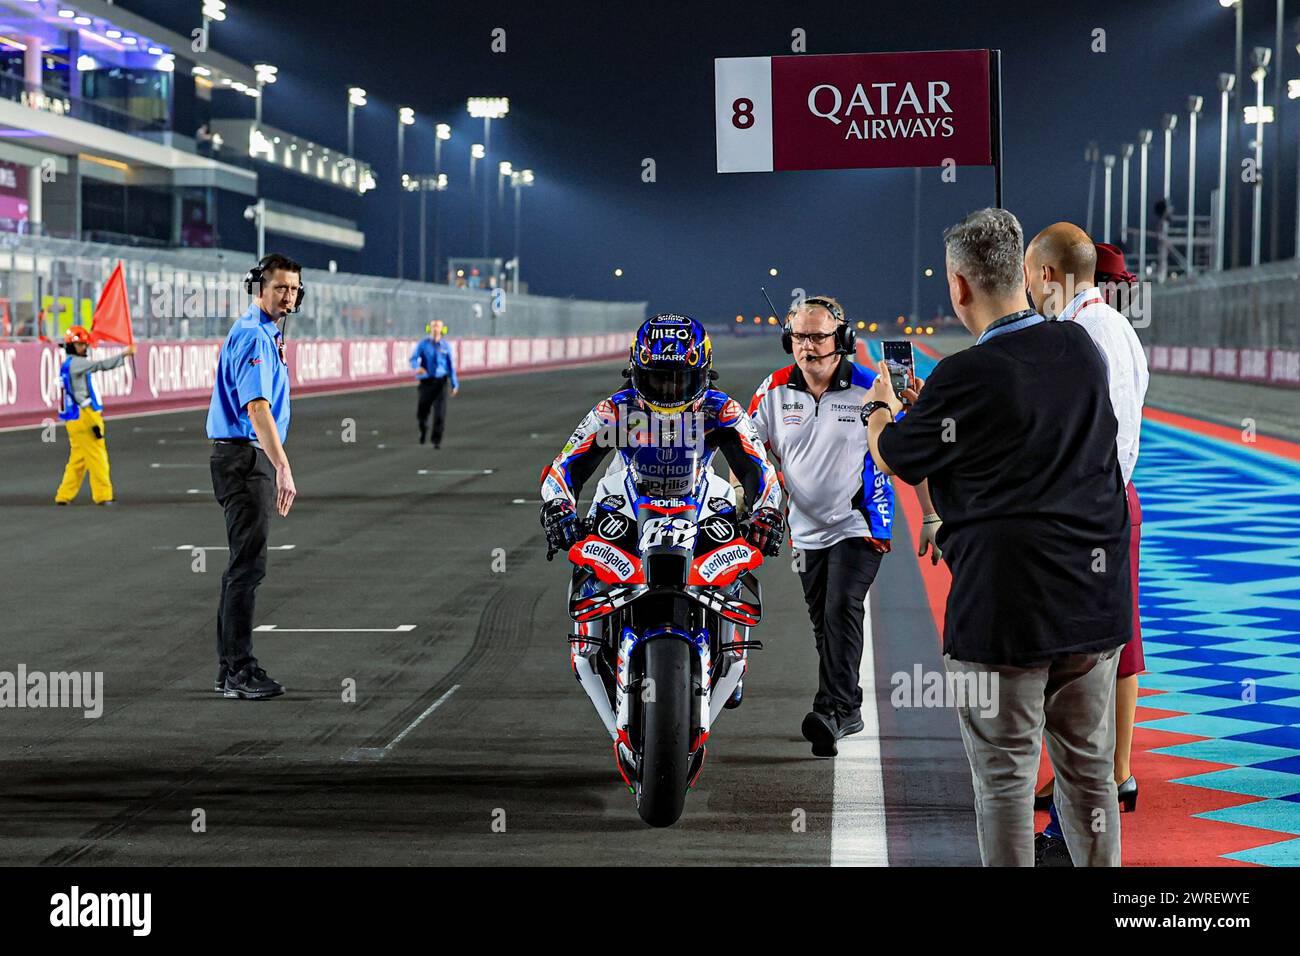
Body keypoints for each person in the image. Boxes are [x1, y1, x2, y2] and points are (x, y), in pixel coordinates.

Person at [864, 208, 1132, 866]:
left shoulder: (964, 376)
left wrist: (881, 407)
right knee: (1091, 777)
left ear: (959, 287)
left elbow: (899, 455)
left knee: (1006, 781)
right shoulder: (1080, 348)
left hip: (1005, 613)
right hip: (1094, 607)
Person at [540, 314, 785, 684]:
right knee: (586, 555)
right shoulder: (614, 410)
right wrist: (558, 506)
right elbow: (565, 465)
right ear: (636, 372)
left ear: (703, 373)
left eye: (680, 379)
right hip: (626, 504)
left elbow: (760, 469)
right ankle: (587, 646)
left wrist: (767, 511)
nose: (669, 390)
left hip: (700, 503)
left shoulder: (722, 411)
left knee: (736, 548)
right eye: (658, 378)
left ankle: (732, 653)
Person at [747, 295, 941, 757]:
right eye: (798, 336)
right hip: (805, 529)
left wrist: (931, 514)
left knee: (841, 607)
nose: (807, 346)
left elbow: (905, 452)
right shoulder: (771, 391)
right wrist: (743, 497)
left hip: (861, 522)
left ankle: (831, 710)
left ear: (843, 340)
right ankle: (847, 703)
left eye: (817, 336)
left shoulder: (872, 389)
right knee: (823, 624)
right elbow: (749, 453)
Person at [1025, 227, 1150, 864]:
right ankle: (1104, 784)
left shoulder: (1080, 336)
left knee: (1081, 658)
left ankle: (1076, 816)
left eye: (1027, 274)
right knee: (1113, 643)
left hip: (1090, 509)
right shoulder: (1119, 329)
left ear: (1048, 275)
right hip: (1114, 502)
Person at [205, 253, 302, 700]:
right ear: (258, 288)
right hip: (245, 459)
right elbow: (257, 407)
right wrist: (281, 465)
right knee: (247, 567)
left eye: (294, 288)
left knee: (242, 566)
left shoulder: (264, 332)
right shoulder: (253, 336)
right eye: (280, 287)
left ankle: (230, 668)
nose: (289, 295)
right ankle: (240, 670)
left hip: (245, 457)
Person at [53, 326, 136, 506]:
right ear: (71, 346)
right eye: (80, 344)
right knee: (98, 457)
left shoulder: (68, 364)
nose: (84, 348)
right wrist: (124, 355)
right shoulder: (76, 363)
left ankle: (64, 495)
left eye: (84, 344)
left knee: (79, 459)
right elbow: (100, 365)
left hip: (74, 417)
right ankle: (103, 495)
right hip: (84, 415)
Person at [410, 320, 458, 446]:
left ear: (442, 329)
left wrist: (454, 383)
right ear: (429, 328)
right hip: (426, 381)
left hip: (441, 381)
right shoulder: (423, 344)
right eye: (433, 326)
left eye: (437, 326)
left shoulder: (446, 346)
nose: (435, 328)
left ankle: (436, 440)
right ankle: (423, 430)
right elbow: (413, 358)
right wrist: (417, 367)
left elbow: (450, 366)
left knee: (440, 412)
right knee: (422, 411)